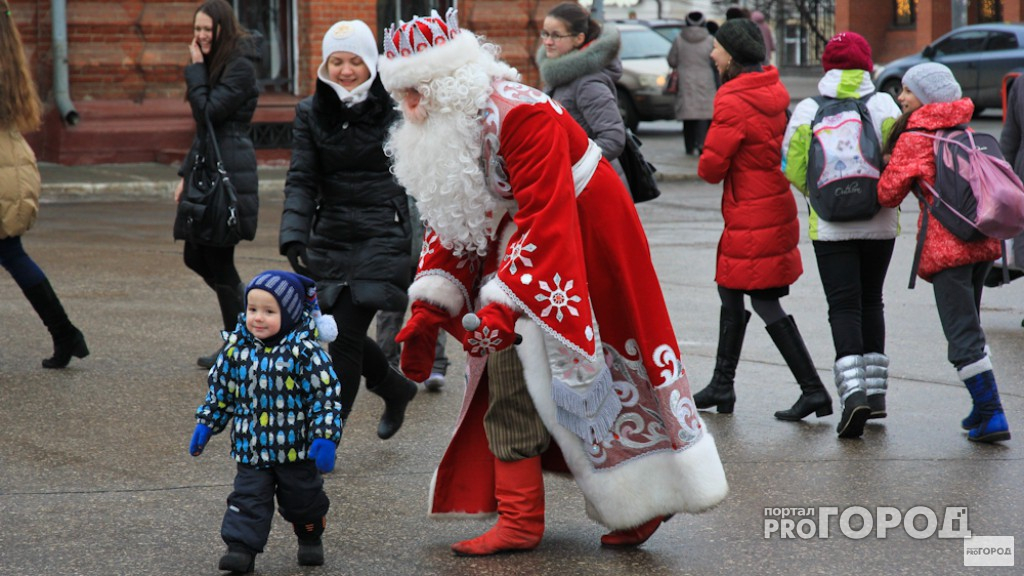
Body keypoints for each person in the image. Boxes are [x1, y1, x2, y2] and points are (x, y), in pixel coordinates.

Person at [379, 8, 727, 556]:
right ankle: (567, 512)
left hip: (587, 238)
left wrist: (502, 307)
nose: (409, 109)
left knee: (585, 372)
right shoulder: (453, 126)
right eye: (401, 95)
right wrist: (429, 303)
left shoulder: (521, 116)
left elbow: (548, 216)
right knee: (510, 372)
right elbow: (455, 218)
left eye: (416, 92)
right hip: (527, 242)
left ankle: (609, 506)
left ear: (450, 84)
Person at [278, 20, 418, 439]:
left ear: (371, 63)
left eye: (354, 61)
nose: (345, 70)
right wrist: (293, 233)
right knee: (340, 333)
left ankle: (325, 436)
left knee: (343, 335)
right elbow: (302, 177)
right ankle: (395, 389)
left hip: (383, 230)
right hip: (332, 232)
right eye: (336, 61)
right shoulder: (310, 111)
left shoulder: (396, 107)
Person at [695, 18, 833, 423]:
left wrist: (711, 148)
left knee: (763, 298)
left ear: (732, 56)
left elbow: (710, 168)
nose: (711, 53)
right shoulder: (772, 88)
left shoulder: (733, 99)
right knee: (731, 288)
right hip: (769, 207)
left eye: (717, 47)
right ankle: (723, 384)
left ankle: (813, 391)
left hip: (753, 212)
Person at [877, 62, 1010, 443]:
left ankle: (991, 412)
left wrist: (889, 166)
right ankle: (981, 406)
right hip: (983, 243)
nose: (900, 97)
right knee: (971, 326)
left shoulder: (917, 136)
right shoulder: (965, 130)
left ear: (927, 97)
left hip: (947, 247)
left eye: (907, 91)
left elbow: (887, 194)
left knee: (961, 336)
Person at [781, 32, 902, 438]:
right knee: (872, 300)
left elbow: (792, 165)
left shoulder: (809, 108)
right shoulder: (884, 104)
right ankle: (877, 393)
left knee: (843, 306)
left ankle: (854, 396)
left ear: (826, 67)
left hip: (831, 225)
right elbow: (899, 160)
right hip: (880, 220)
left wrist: (821, 198)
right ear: (868, 66)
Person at [189, 270, 343, 573]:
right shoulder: (236, 351)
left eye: (269, 311)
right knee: (247, 499)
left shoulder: (306, 353)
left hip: (296, 451)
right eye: (252, 309)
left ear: (289, 314)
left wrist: (324, 437)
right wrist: (206, 423)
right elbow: (222, 394)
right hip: (251, 448)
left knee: (303, 501)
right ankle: (240, 548)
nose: (258, 318)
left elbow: (325, 397)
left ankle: (310, 535)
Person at [0, 1, 88, 369]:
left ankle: (66, 333)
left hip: (5, 168)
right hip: (11, 162)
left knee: (13, 254)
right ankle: (66, 333)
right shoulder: (9, 55)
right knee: (13, 254)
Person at [173, 0, 260, 369]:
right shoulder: (214, 66)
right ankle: (249, 333)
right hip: (208, 166)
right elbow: (203, 131)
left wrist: (195, 72)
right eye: (198, 29)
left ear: (223, 29)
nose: (201, 36)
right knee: (195, 254)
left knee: (220, 258)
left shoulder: (239, 67)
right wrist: (184, 174)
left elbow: (208, 113)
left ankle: (241, 346)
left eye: (208, 29)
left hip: (230, 168)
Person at [536, 2, 627, 183]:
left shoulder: (588, 83)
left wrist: (565, 164)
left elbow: (613, 139)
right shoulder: (561, 76)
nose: (547, 42)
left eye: (556, 35)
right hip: (577, 183)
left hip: (595, 188)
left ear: (579, 38)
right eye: (545, 33)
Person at [375, 196, 450, 392]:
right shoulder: (390, 176)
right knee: (389, 309)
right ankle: (387, 364)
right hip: (394, 251)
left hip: (432, 249)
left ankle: (435, 364)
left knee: (433, 306)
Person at [668, 11, 716, 156]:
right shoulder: (710, 40)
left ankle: (689, 146)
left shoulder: (679, 39)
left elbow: (672, 60)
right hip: (706, 80)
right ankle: (703, 144)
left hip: (685, 80)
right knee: (704, 113)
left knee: (688, 114)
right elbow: (715, 60)